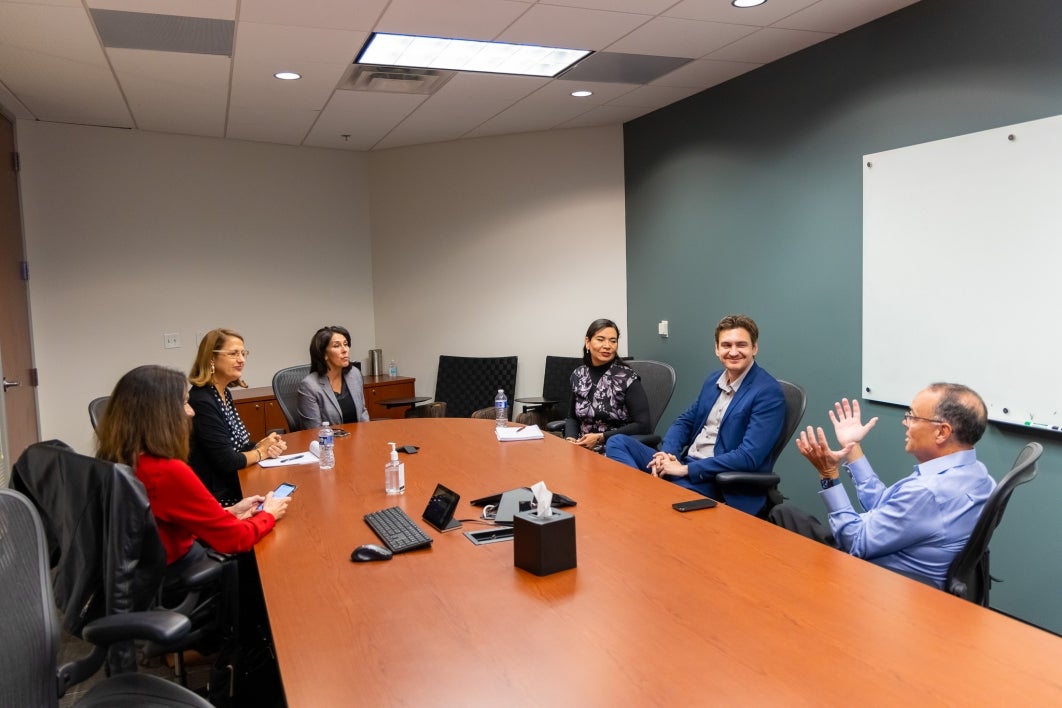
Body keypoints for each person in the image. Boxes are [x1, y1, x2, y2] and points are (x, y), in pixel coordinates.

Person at [769, 384, 996, 589]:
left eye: (913, 417)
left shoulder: (927, 492)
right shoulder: (979, 475)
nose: (905, 423)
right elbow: (888, 506)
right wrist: (852, 446)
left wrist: (828, 475)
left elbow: (854, 543)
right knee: (788, 515)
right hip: (903, 566)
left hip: (884, 582)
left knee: (783, 516)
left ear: (942, 432)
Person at [95, 364, 292, 574]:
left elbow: (162, 519)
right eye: (184, 403)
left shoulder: (114, 459)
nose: (191, 412)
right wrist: (268, 514)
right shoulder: (167, 471)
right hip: (177, 572)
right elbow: (235, 539)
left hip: (142, 569)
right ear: (160, 414)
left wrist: (229, 512)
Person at [605, 314, 785, 514]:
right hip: (684, 466)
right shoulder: (714, 380)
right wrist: (669, 455)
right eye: (726, 345)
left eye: (741, 345)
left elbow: (748, 456)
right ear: (717, 349)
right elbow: (685, 422)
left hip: (717, 481)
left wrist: (686, 470)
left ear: (754, 348)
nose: (733, 352)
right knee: (617, 442)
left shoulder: (767, 392)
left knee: (663, 499)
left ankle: (644, 496)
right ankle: (645, 494)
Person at [188, 328, 286, 505]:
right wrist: (260, 453)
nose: (241, 360)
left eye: (243, 353)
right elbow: (227, 460)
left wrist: (263, 444)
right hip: (218, 496)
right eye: (233, 354)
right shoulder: (202, 400)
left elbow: (237, 445)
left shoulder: (222, 392)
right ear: (211, 358)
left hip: (233, 480)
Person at [563, 318, 650, 452]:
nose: (607, 345)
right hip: (582, 449)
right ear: (588, 342)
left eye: (613, 341)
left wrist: (600, 437)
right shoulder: (578, 374)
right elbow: (572, 418)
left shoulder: (626, 377)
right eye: (600, 339)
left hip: (615, 448)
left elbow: (643, 425)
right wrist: (570, 440)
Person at [297, 325, 370, 430]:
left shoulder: (354, 374)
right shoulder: (309, 386)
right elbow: (313, 431)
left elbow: (362, 413)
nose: (345, 350)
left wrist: (368, 437)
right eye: (337, 346)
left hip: (358, 441)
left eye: (346, 344)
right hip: (329, 444)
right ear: (323, 354)